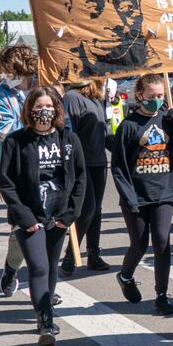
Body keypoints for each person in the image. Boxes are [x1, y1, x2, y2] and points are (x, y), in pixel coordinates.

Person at [0, 87, 87, 346]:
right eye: (37, 107)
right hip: (29, 215)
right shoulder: (16, 141)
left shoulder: (68, 139)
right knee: (38, 266)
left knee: (50, 265)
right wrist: (24, 217)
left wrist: (70, 214)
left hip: (58, 215)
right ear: (29, 110)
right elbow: (7, 183)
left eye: (48, 106)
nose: (43, 111)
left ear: (57, 109)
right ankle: (45, 321)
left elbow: (80, 178)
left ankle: (45, 310)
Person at [110, 74, 173, 316]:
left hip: (163, 191)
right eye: (151, 96)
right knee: (139, 244)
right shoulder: (128, 126)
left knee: (162, 242)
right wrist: (128, 197)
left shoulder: (167, 119)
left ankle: (161, 295)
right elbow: (119, 167)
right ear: (139, 96)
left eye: (159, 96)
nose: (155, 100)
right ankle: (125, 276)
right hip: (136, 194)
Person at [59, 0, 157, 77]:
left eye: (127, 7)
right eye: (94, 8)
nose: (115, 22)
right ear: (70, 13)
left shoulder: (156, 70)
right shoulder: (61, 73)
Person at [0, 44, 38, 289]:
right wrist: (39, 128)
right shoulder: (0, 95)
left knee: (48, 225)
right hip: (15, 171)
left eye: (12, 69)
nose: (7, 74)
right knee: (23, 224)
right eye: (5, 70)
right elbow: (5, 132)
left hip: (48, 167)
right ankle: (12, 268)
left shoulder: (45, 89)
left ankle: (44, 282)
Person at [56, 79, 112, 277]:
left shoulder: (96, 99)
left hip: (99, 162)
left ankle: (93, 254)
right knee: (86, 209)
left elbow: (105, 131)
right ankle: (71, 253)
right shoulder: (72, 97)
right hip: (81, 163)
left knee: (96, 210)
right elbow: (68, 133)